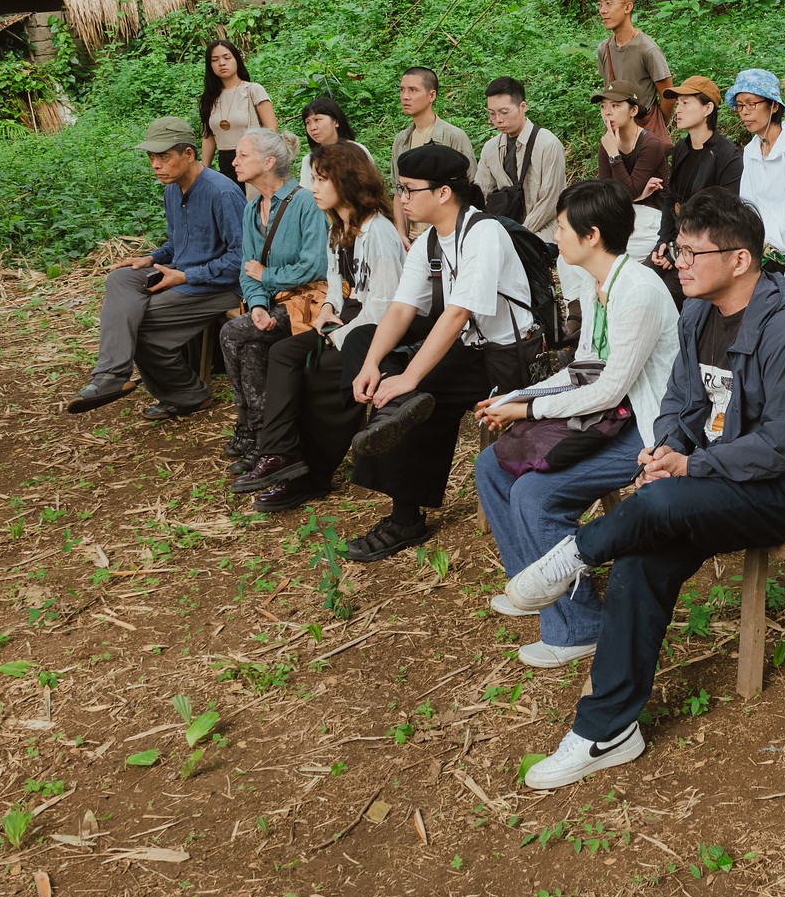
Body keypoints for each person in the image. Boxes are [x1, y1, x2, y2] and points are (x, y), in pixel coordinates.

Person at [498, 189, 785, 790]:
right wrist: (667, 449)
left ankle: (572, 556)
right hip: (714, 476)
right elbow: (681, 403)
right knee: (641, 555)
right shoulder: (696, 314)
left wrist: (690, 470)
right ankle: (605, 729)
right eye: (675, 249)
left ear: (739, 260)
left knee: (655, 506)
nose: (675, 261)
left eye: (689, 252)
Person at [474, 181, 681, 669]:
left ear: (591, 235)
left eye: (562, 228)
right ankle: (539, 589)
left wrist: (526, 411)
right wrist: (521, 395)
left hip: (644, 425)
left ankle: (578, 627)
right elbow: (584, 365)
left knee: (534, 495)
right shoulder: (598, 283)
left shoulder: (640, 291)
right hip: (605, 415)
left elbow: (611, 388)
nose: (556, 236)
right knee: (490, 466)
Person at [342, 144, 533, 561]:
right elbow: (400, 307)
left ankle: (405, 518)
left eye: (409, 190)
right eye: (400, 189)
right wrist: (373, 363)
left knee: (420, 388)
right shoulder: (429, 238)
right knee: (363, 342)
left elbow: (459, 313)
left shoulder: (483, 232)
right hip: (467, 350)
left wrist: (409, 376)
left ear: (443, 192)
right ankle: (401, 406)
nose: (402, 199)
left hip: (505, 359)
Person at [233, 142, 405, 502]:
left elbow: (387, 306)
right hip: (347, 318)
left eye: (322, 179)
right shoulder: (336, 228)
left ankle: (313, 476)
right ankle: (281, 453)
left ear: (348, 182)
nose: (313, 187)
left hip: (377, 328)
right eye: (313, 178)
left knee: (321, 372)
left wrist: (339, 335)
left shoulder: (380, 233)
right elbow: (334, 284)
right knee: (284, 354)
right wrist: (327, 310)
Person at [66, 117, 246, 420]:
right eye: (151, 157)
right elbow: (177, 243)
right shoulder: (173, 190)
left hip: (221, 286)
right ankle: (110, 376)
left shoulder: (222, 192)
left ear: (188, 154)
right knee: (121, 277)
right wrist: (151, 258)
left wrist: (186, 275)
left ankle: (186, 394)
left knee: (136, 323)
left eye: (164, 156)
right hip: (182, 273)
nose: (155, 164)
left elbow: (242, 259)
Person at [219, 129, 329, 460]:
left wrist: (267, 276)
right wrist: (256, 305)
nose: (233, 161)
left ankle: (247, 424)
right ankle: (265, 435)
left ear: (268, 163)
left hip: (307, 304)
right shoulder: (252, 209)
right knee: (251, 346)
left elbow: (313, 265)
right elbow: (245, 268)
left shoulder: (307, 202)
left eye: (242, 155)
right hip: (274, 305)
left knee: (230, 332)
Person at [648, 76, 742, 304]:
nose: (677, 109)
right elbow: (671, 199)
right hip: (675, 244)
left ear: (707, 108)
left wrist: (679, 250)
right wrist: (663, 242)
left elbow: (722, 217)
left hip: (704, 252)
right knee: (640, 281)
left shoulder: (728, 156)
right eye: (678, 103)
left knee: (661, 298)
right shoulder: (681, 148)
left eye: (685, 103)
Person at [727, 68, 785, 270]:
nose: (745, 111)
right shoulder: (752, 149)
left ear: (774, 106)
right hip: (759, 246)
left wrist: (770, 245)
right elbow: (748, 204)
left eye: (752, 104)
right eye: (740, 106)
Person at [389, 67, 476, 242]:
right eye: (402, 90)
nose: (405, 96)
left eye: (413, 90)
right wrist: (400, 233)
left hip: (445, 236)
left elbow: (470, 188)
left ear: (432, 95)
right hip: (411, 238)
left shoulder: (453, 136)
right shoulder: (401, 139)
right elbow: (398, 191)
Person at [476, 76, 567, 241]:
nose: (498, 119)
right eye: (492, 114)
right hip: (502, 232)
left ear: (522, 107)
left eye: (504, 112)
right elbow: (481, 194)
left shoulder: (548, 144)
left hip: (543, 233)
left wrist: (518, 234)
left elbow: (551, 201)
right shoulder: (490, 148)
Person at [594, 82, 669, 263]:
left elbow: (627, 192)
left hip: (651, 216)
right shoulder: (607, 143)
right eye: (604, 106)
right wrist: (635, 196)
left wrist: (614, 155)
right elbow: (605, 194)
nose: (607, 112)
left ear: (633, 111)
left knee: (613, 255)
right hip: (620, 213)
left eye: (615, 105)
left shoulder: (649, 143)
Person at [595, 0, 673, 139]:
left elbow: (668, 96)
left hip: (645, 134)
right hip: (616, 134)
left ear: (627, 7)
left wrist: (656, 125)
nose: (602, 10)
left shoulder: (647, 49)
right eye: (600, 4)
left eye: (609, 3)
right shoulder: (604, 49)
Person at [197, 40, 276, 178]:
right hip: (225, 163)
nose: (222, 63)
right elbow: (208, 136)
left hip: (253, 160)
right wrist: (204, 171)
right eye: (215, 60)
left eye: (227, 58)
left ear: (237, 60)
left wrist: (266, 159)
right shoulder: (209, 98)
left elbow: (271, 129)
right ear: (210, 65)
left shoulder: (253, 90)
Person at [297, 97, 373, 188]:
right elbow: (306, 196)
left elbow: (369, 189)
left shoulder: (356, 152)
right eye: (307, 122)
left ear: (336, 121)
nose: (312, 127)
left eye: (317, 119)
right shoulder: (308, 160)